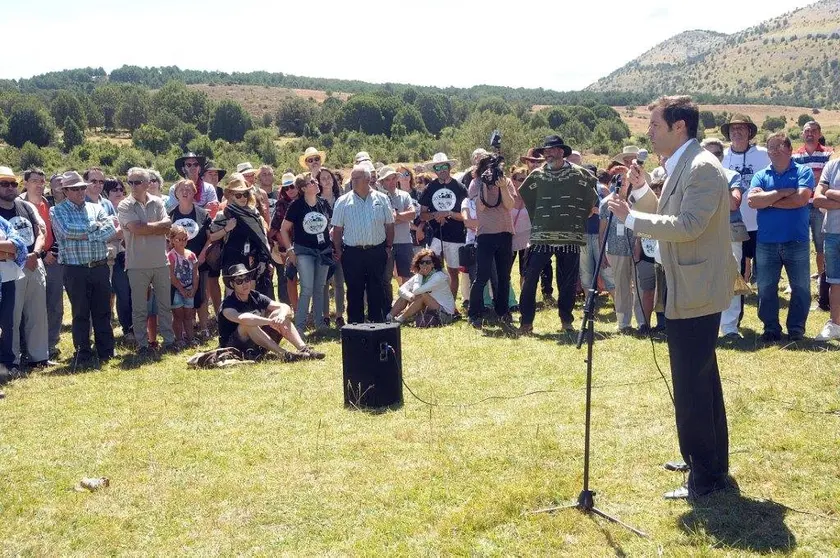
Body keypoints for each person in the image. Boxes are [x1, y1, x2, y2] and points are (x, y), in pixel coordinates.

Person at [608, 95, 736, 500]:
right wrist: (643, 193)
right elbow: (670, 210)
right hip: (687, 286)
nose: (648, 132)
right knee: (701, 380)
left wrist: (633, 218)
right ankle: (706, 459)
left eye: (655, 125)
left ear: (679, 126)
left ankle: (706, 476)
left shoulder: (701, 167)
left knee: (692, 384)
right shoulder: (684, 163)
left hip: (696, 289)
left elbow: (690, 224)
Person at [518, 135, 598, 334]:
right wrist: (542, 219)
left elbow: (591, 200)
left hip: (570, 237)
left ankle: (566, 321)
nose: (547, 154)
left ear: (562, 152)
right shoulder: (536, 176)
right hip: (540, 236)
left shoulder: (580, 175)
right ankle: (526, 323)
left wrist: (577, 217)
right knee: (529, 279)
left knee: (568, 282)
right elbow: (527, 199)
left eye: (552, 150)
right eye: (545, 151)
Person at [747, 132, 814, 342]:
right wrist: (782, 192)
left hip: (797, 241)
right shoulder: (760, 175)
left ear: (789, 149)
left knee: (801, 287)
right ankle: (770, 328)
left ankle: (796, 329)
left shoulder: (803, 171)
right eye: (770, 148)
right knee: (766, 287)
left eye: (778, 147)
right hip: (767, 242)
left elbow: (801, 200)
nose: (774, 151)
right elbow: (752, 202)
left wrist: (768, 200)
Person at [51, 171, 117, 366]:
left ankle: (106, 351)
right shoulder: (58, 211)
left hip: (99, 267)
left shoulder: (96, 208)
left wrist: (86, 231)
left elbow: (111, 230)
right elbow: (66, 231)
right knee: (80, 313)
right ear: (65, 191)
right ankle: (83, 353)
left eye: (82, 187)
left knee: (103, 311)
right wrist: (94, 229)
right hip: (75, 269)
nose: (80, 191)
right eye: (75, 188)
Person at [118, 167, 175, 354]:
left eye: (138, 182)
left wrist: (146, 228)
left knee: (165, 305)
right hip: (137, 264)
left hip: (160, 262)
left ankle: (169, 340)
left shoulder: (158, 202)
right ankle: (142, 344)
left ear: (148, 183)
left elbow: (168, 226)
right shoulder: (124, 205)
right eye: (130, 182)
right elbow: (136, 229)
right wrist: (156, 228)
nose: (133, 186)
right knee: (140, 308)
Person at [217, 264, 323, 361]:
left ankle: (304, 349)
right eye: (239, 281)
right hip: (233, 347)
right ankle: (284, 355)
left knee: (280, 314)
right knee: (248, 323)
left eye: (247, 279)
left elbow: (285, 307)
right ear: (232, 284)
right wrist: (269, 321)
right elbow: (244, 319)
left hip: (257, 342)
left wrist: (280, 316)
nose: (244, 283)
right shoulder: (227, 304)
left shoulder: (255, 296)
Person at [331, 164, 395, 324]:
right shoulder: (343, 201)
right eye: (352, 178)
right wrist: (338, 250)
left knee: (377, 288)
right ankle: (355, 325)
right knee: (354, 290)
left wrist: (388, 247)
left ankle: (377, 324)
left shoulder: (382, 199)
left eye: (356, 178)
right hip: (352, 253)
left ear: (367, 179)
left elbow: (389, 225)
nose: (352, 181)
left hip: (377, 251)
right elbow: (337, 229)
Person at [0, 167, 48, 370]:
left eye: (13, 184)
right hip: (9, 268)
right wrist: (20, 256)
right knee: (11, 317)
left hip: (34, 263)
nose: (10, 188)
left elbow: (41, 232)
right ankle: (13, 361)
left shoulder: (26, 206)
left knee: (37, 314)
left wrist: (35, 254)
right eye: (4, 184)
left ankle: (38, 357)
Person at [703, 138, 748, 339]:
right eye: (708, 153)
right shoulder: (694, 176)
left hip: (730, 231)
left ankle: (729, 326)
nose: (713, 157)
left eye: (717, 154)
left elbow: (733, 203)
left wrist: (716, 180)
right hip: (702, 232)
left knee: (731, 276)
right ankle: (707, 323)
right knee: (705, 277)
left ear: (722, 157)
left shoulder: (732, 175)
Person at [467, 155, 517, 328]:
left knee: (504, 277)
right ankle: (474, 313)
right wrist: (485, 185)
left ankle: (503, 312)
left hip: (505, 233)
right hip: (485, 235)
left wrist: (502, 187)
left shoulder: (506, 182)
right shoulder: (476, 183)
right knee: (481, 277)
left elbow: (510, 205)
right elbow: (480, 206)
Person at [280, 174, 334, 334]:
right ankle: (300, 327)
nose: (316, 183)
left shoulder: (323, 203)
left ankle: (319, 325)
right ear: (303, 188)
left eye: (315, 181)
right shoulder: (296, 205)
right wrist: (290, 251)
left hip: (323, 251)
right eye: (312, 182)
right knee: (307, 288)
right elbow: (284, 229)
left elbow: (330, 225)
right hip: (304, 251)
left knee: (319, 288)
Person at [721, 114, 770, 287]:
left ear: (749, 131)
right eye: (733, 128)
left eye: (741, 128)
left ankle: (763, 292)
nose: (737, 132)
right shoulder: (722, 157)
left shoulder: (764, 155)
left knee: (763, 263)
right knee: (737, 262)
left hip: (761, 219)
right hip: (733, 220)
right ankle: (739, 294)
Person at [21, 168, 63, 361]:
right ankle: (26, 347)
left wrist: (51, 252)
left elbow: (51, 232)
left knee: (54, 304)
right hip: (30, 260)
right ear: (25, 183)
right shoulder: (19, 204)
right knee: (29, 308)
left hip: (52, 260)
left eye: (42, 181)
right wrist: (42, 253)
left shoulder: (46, 203)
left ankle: (50, 344)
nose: (40, 185)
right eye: (35, 181)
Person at [792, 121, 833, 309]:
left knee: (820, 247)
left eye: (814, 131)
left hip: (819, 207)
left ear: (819, 133)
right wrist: (814, 179)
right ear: (802, 134)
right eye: (807, 131)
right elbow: (795, 178)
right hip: (800, 206)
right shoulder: (795, 154)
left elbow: (827, 180)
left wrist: (809, 180)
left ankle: (822, 285)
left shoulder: (828, 154)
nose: (810, 134)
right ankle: (799, 285)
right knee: (799, 246)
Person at [212, 175, 273, 299]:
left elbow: (262, 239)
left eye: (245, 194)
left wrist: (266, 260)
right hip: (232, 259)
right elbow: (212, 236)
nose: (243, 198)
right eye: (238, 195)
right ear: (231, 196)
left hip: (252, 258)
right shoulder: (224, 214)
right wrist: (226, 229)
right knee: (232, 296)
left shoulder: (254, 213)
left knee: (251, 295)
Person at [169, 179, 214, 339]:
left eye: (189, 188)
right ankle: (181, 332)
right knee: (178, 299)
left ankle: (203, 328)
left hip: (198, 261)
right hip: (176, 264)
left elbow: (210, 238)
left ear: (195, 192)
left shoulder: (203, 213)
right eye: (181, 189)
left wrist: (202, 254)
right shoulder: (170, 214)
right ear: (176, 193)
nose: (185, 191)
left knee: (200, 296)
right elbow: (167, 240)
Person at [419, 153, 467, 301]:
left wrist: (448, 213)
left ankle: (451, 305)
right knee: (431, 270)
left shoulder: (460, 188)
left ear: (449, 167)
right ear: (434, 170)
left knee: (453, 272)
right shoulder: (430, 188)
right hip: (436, 236)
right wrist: (436, 215)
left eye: (444, 166)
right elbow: (422, 215)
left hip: (456, 236)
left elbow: (465, 215)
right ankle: (434, 302)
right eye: (438, 167)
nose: (441, 170)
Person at [378, 165, 417, 310]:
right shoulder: (379, 198)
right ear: (382, 182)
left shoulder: (404, 195)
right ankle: (388, 308)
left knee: (407, 276)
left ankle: (405, 307)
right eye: (387, 179)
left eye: (393, 178)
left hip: (404, 241)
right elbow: (382, 221)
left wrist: (395, 217)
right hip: (386, 243)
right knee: (386, 277)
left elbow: (412, 214)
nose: (391, 182)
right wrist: (402, 217)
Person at [391, 249, 456, 325]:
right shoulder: (420, 275)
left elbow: (417, 291)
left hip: (446, 315)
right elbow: (401, 290)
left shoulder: (438, 276)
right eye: (422, 262)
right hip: (430, 308)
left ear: (433, 264)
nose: (425, 265)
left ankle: (400, 319)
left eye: (428, 262)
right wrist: (411, 297)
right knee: (406, 295)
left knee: (422, 295)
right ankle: (389, 317)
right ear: (418, 264)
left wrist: (419, 276)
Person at [813, 155, 840, 340]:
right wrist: (826, 194)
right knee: (835, 281)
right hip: (832, 232)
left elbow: (825, 195)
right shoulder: (832, 165)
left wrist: (831, 193)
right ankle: (835, 324)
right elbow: (817, 199)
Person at [103, 178, 133, 340]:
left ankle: (127, 328)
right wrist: (116, 233)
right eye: (115, 189)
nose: (119, 192)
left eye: (121, 189)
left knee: (124, 294)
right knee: (106, 296)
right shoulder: (101, 209)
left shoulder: (127, 209)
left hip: (123, 257)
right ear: (106, 193)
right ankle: (105, 330)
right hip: (104, 258)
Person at [268, 172, 300, 306]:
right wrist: (285, 246)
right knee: (289, 278)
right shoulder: (280, 204)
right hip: (286, 247)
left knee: (306, 280)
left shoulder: (305, 200)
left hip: (304, 244)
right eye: (286, 188)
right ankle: (292, 308)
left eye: (292, 186)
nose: (290, 190)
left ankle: (307, 310)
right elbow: (273, 229)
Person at [167, 224, 199, 346]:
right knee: (178, 315)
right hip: (176, 290)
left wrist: (194, 288)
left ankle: (190, 338)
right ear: (172, 240)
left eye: (185, 239)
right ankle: (179, 338)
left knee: (189, 315)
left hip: (190, 288)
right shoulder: (171, 255)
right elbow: (172, 276)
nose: (182, 242)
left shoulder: (191, 255)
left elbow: (196, 273)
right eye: (178, 239)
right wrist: (181, 289)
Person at [170, 152, 220, 217]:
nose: (193, 167)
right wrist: (203, 210)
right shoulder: (174, 189)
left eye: (196, 164)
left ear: (199, 168)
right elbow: (174, 212)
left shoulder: (209, 188)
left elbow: (213, 209)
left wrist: (187, 209)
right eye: (188, 165)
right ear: (183, 169)